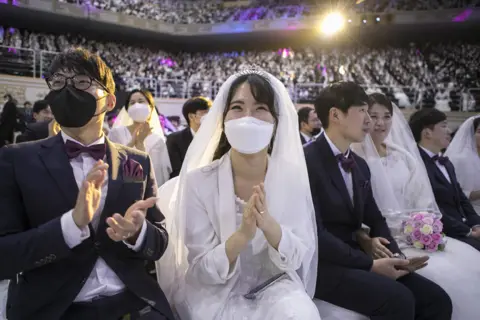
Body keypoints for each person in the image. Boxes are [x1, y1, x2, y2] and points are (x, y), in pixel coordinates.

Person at [0, 48, 174, 320]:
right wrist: (71, 225)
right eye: (58, 83)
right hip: (55, 308)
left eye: (81, 82)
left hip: (132, 303)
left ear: (109, 100)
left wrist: (137, 232)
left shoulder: (138, 161)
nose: (67, 90)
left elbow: (160, 241)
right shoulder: (16, 160)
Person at [156, 70, 319, 320]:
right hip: (215, 294)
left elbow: (299, 255)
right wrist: (242, 236)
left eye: (260, 108)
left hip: (276, 287)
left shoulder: (290, 176)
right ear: (223, 119)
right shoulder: (199, 182)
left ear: (276, 121)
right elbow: (200, 270)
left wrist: (270, 227)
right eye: (238, 107)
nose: (247, 118)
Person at [305, 82, 452, 320]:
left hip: (357, 257)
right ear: (335, 115)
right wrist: (368, 264)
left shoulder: (360, 165)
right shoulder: (306, 161)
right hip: (323, 265)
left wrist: (396, 258)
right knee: (399, 300)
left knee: (437, 300)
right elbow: (315, 234)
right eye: (362, 111)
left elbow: (374, 217)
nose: (369, 121)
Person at [352, 93, 480, 320]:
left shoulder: (404, 157)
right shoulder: (352, 157)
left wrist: (422, 225)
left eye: (387, 116)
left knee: (469, 267)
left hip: (413, 234)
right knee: (442, 280)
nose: (380, 123)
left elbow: (422, 199)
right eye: (373, 116)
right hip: (378, 239)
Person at [410, 108, 480, 251]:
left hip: (464, 226)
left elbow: (462, 199)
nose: (449, 131)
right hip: (443, 231)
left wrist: (476, 224)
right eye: (443, 125)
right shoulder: (416, 164)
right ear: (427, 133)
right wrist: (468, 232)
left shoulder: (446, 163)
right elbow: (432, 208)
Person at [109, 89, 171, 187]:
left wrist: (141, 144)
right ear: (127, 110)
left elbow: (158, 174)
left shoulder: (158, 140)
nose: (136, 105)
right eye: (132, 103)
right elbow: (112, 163)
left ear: (150, 107)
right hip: (121, 188)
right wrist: (132, 143)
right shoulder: (116, 133)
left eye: (141, 101)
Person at [166, 97, 210, 178]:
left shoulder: (216, 138)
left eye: (210, 113)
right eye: (204, 113)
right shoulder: (174, 140)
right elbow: (176, 171)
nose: (209, 116)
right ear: (191, 116)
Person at [445, 115, 480, 214]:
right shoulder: (460, 159)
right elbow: (453, 194)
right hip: (470, 214)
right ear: (470, 134)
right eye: (479, 132)